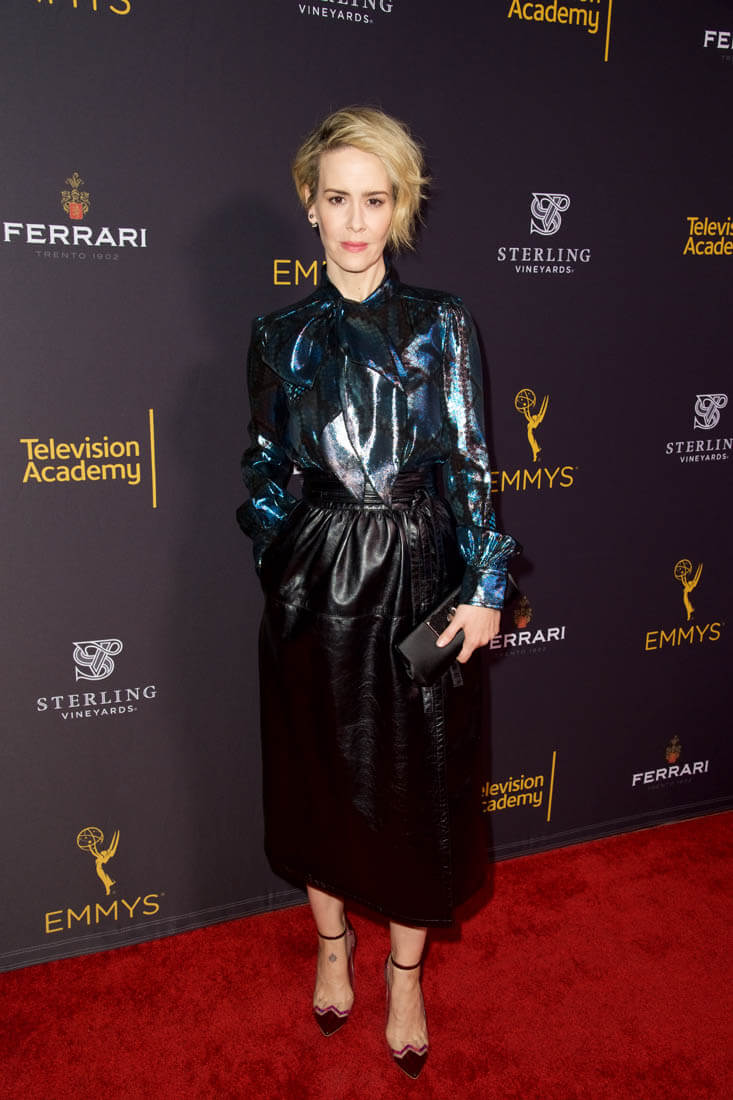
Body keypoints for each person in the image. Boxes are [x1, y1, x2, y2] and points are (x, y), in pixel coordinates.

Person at [237, 106, 518, 1079]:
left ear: (398, 208)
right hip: (314, 583)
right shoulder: (276, 335)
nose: (355, 221)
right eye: (337, 198)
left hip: (417, 576)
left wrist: (484, 584)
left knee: (415, 787)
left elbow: (470, 464)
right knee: (315, 773)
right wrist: (282, 558)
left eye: (375, 199)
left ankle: (404, 972)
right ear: (308, 204)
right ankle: (330, 944)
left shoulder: (441, 322)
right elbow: (265, 469)